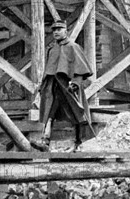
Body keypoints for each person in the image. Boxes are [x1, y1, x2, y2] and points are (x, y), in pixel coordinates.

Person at [32, 20, 93, 152]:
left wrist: (75, 83)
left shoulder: (73, 47)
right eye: (54, 30)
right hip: (53, 87)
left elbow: (81, 69)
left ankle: (79, 142)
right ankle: (45, 140)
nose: (56, 32)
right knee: (49, 112)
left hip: (69, 88)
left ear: (66, 31)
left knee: (76, 113)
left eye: (59, 29)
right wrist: (42, 86)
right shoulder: (52, 49)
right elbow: (50, 70)